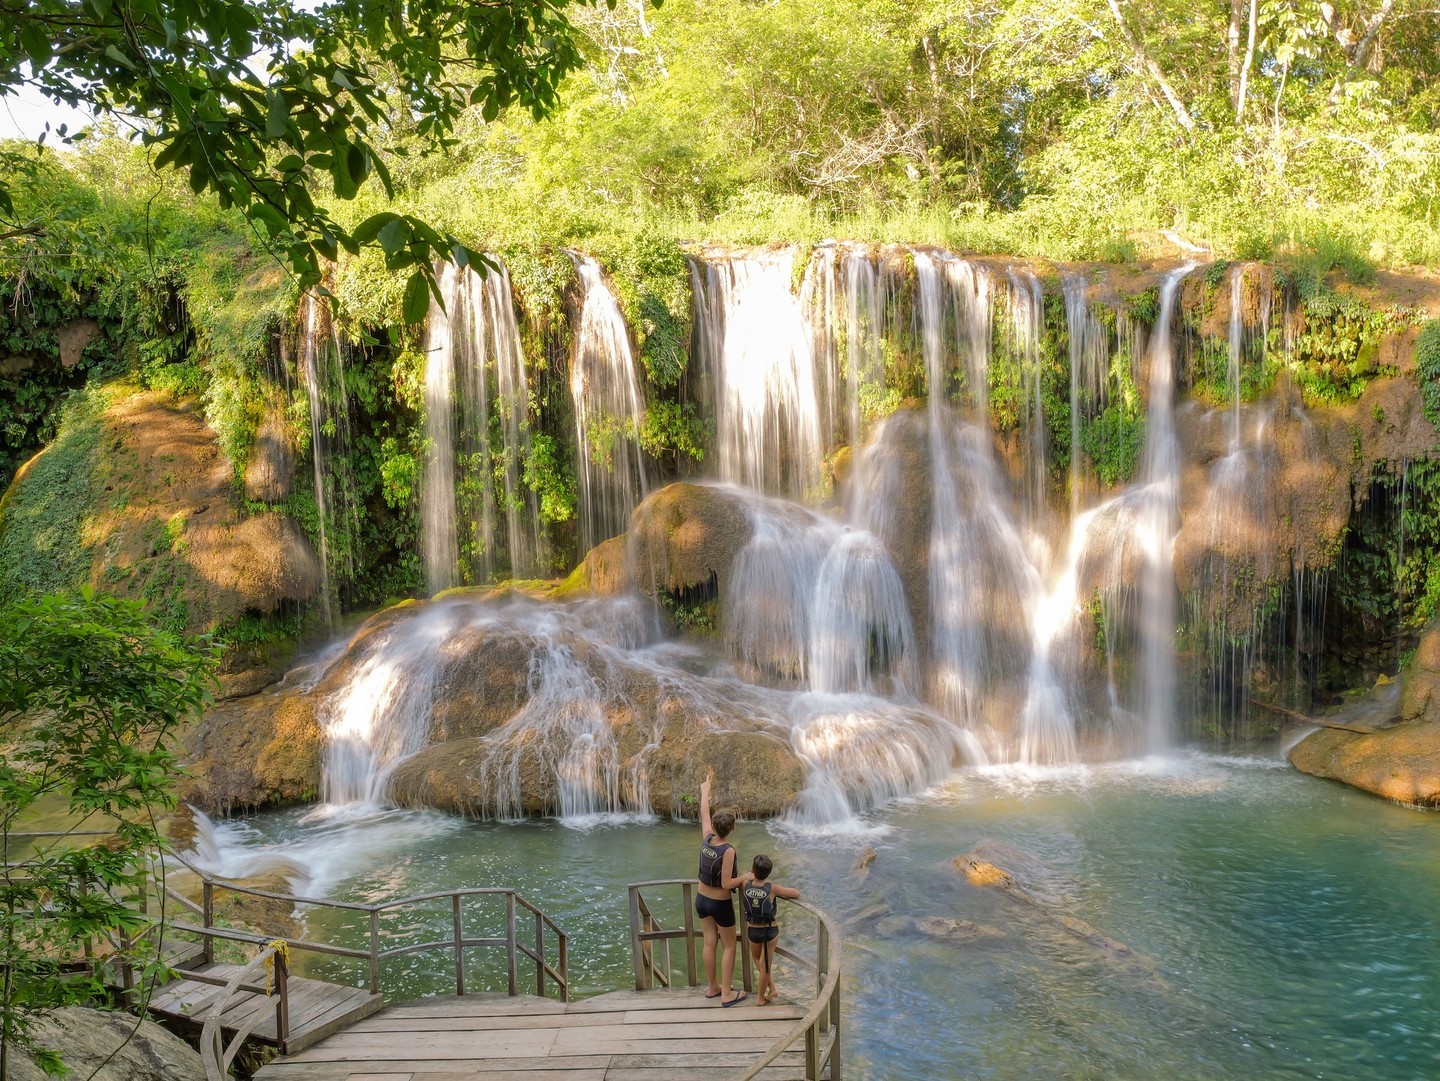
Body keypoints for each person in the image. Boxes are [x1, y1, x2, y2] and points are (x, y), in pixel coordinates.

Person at [697, 769, 751, 1006]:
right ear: (732, 829)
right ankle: (727, 993)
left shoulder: (707, 838)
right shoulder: (728, 850)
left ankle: (712, 987)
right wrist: (746, 876)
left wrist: (705, 791)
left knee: (710, 942)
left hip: (700, 899)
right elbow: (727, 883)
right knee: (729, 945)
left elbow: (704, 813)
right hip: (720, 904)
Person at [740, 854, 799, 1006]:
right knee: (765, 963)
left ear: (752, 870)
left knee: (758, 961)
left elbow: (741, 879)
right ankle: (762, 996)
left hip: (753, 930)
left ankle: (771, 989)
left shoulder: (745, 884)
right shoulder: (772, 888)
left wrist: (749, 874)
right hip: (769, 931)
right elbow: (795, 893)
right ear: (769, 872)